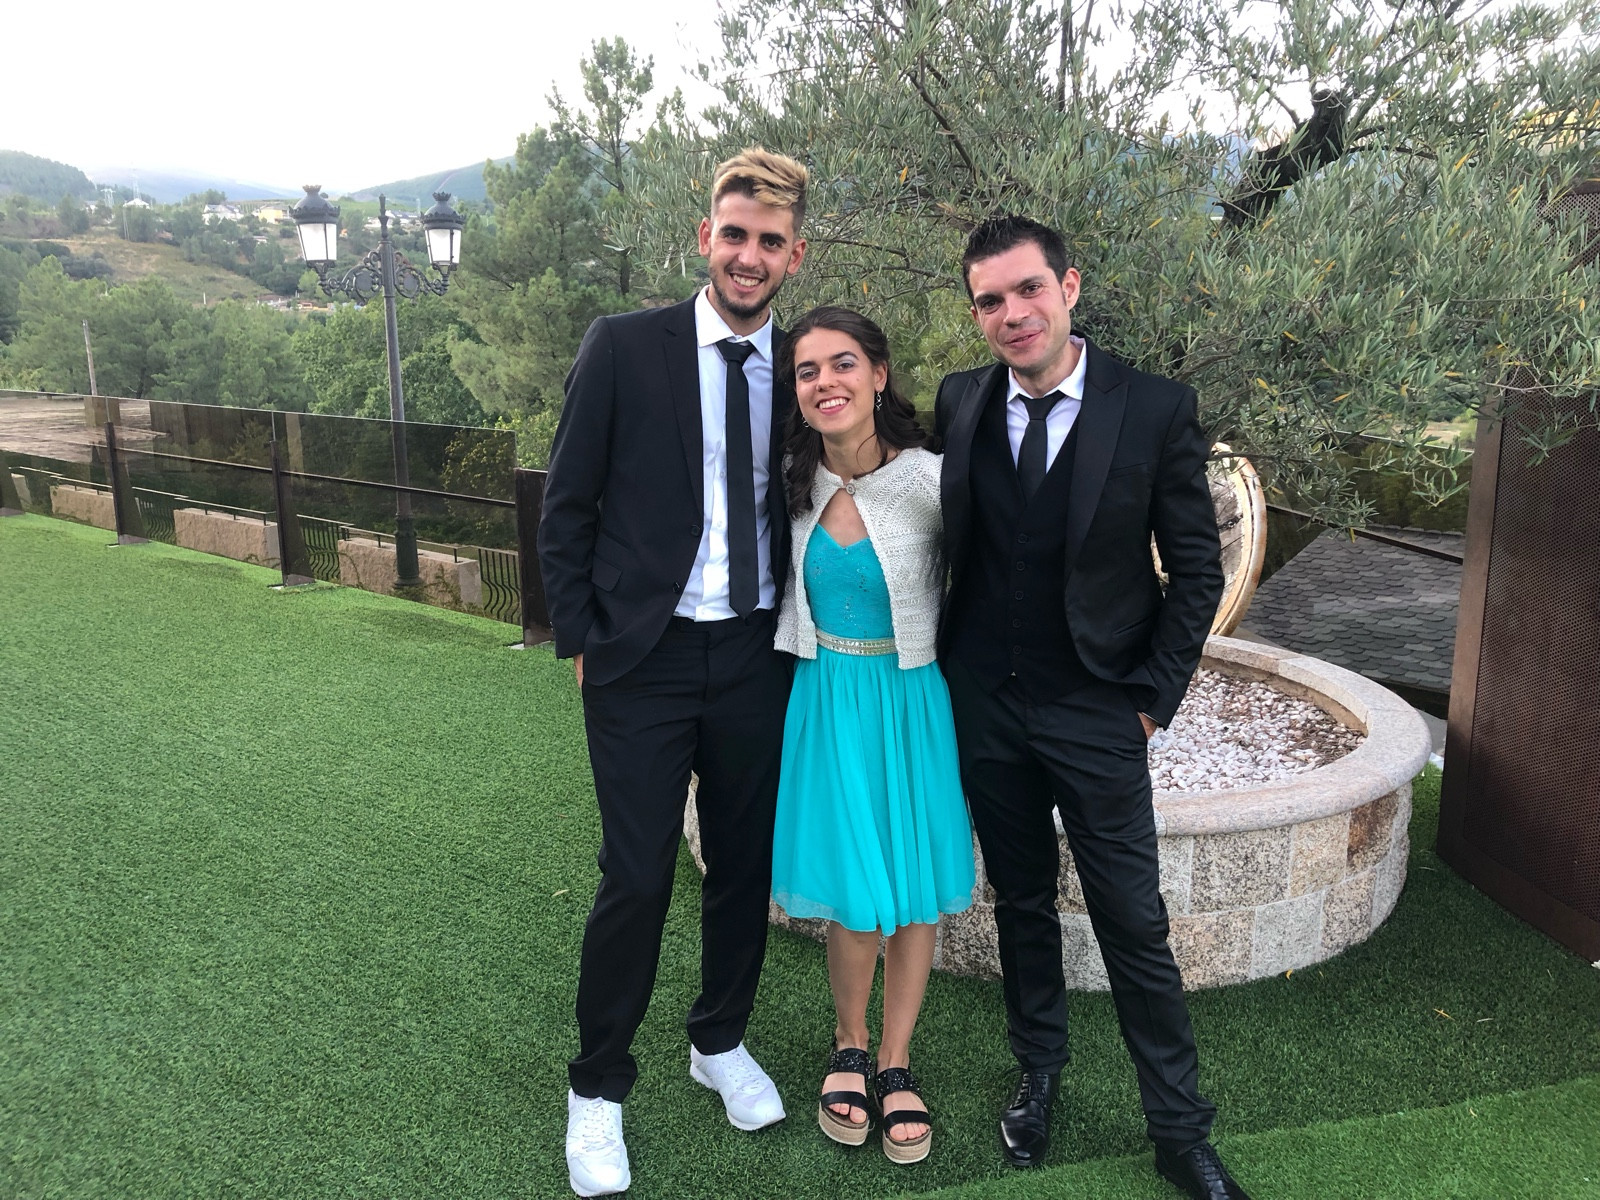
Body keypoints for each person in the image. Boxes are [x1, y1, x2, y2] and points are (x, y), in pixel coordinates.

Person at [934, 216, 1251, 1200]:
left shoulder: (1152, 408)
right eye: (990, 300)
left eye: (1028, 289)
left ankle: (1179, 1132)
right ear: (977, 314)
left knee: (1131, 920)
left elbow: (1195, 572)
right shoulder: (960, 400)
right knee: (1021, 900)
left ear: (1068, 287)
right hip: (987, 705)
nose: (1012, 313)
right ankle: (1039, 1072)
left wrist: (1150, 703)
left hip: (1098, 709)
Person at [538, 147, 810, 1198]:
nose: (749, 256)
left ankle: (719, 1040)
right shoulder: (623, 345)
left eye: (770, 241)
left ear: (794, 255)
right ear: (706, 237)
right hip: (642, 658)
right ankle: (597, 1087)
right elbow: (566, 503)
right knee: (639, 873)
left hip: (755, 653)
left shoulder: (805, 369)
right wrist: (583, 638)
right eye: (734, 234)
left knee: (742, 867)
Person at [770, 306, 975, 1165]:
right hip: (827, 700)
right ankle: (848, 1043)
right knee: (856, 894)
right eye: (807, 370)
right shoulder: (788, 480)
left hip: (911, 700)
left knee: (915, 891)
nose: (826, 382)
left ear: (880, 374)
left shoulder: (934, 480)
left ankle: (895, 1060)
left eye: (843, 363)